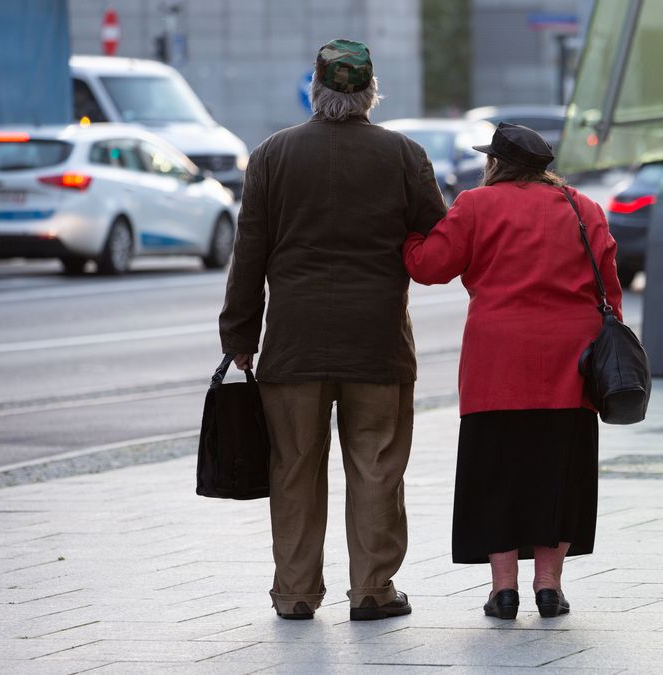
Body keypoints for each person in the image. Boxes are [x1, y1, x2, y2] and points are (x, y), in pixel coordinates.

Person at [219, 39, 447, 622]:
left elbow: (249, 255)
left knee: (294, 467)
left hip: (293, 345)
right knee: (375, 466)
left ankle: (295, 593)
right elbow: (439, 244)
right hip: (378, 343)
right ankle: (373, 590)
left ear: (316, 89)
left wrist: (239, 337)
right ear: (371, 92)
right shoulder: (404, 156)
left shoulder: (271, 155)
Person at [402, 123, 623, 620]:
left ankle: (504, 590)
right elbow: (610, 288)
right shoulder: (582, 208)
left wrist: (411, 232)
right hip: (572, 365)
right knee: (558, 476)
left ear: (496, 164)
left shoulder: (477, 206)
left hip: (496, 365)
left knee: (496, 475)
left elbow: (429, 266)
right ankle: (549, 586)